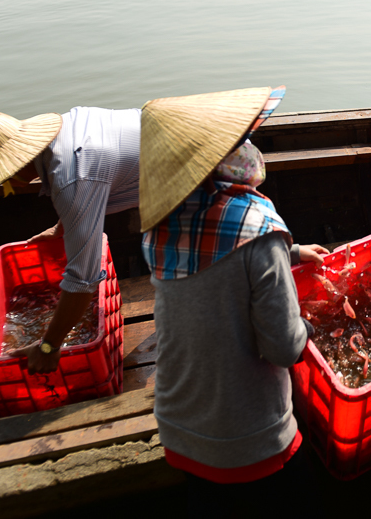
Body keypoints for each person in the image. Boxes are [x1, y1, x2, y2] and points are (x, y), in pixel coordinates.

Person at [138, 87, 327, 518]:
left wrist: (292, 254)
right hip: (250, 440)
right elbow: (284, 347)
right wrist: (307, 326)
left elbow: (216, 266)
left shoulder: (163, 226)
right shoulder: (259, 231)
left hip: (178, 428)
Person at [0, 105, 140, 373]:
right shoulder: (69, 129)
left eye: (0, 178)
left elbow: (83, 279)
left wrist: (48, 346)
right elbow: (93, 183)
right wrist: (61, 228)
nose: (4, 187)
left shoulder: (72, 179)